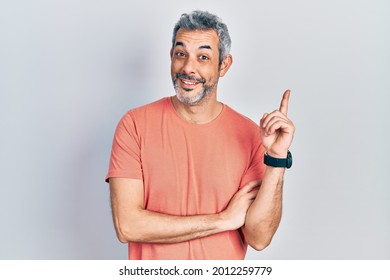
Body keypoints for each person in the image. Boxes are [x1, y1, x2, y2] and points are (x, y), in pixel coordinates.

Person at [105, 10, 295, 260]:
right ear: (171, 56)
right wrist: (222, 221)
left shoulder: (250, 135)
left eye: (203, 57)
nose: (188, 68)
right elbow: (127, 225)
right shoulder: (134, 125)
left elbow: (259, 238)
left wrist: (277, 158)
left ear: (223, 65)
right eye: (181, 54)